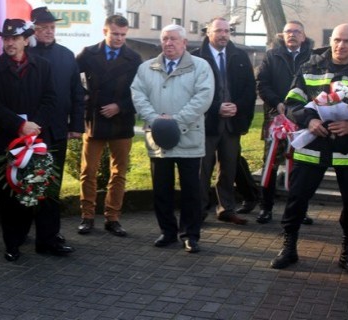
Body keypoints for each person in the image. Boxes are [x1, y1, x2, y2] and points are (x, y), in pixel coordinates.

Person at [270, 24, 348, 277]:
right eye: (337, 40)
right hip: (313, 144)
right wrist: (309, 120)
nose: (341, 46)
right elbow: (293, 103)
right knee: (297, 198)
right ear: (330, 40)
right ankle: (289, 248)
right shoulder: (310, 66)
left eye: (347, 41)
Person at [0, 18, 74, 261]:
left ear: (25, 40)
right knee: (10, 193)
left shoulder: (42, 66)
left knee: (46, 191)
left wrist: (34, 126)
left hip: (40, 138)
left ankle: (48, 240)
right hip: (9, 142)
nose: (10, 43)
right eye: (6, 39)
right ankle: (13, 243)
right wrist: (20, 125)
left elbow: (51, 98)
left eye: (15, 38)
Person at [131, 24, 214, 252]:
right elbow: (138, 95)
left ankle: (190, 235)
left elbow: (203, 97)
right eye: (165, 38)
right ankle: (167, 232)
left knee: (191, 191)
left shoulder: (200, 67)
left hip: (189, 138)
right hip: (158, 140)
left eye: (174, 39)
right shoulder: (146, 68)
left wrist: (174, 121)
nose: (169, 43)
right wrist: (157, 121)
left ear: (184, 43)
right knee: (161, 190)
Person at [75, 15, 142, 236]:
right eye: (115, 34)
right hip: (94, 120)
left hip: (121, 122)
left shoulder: (134, 58)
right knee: (88, 171)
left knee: (119, 173)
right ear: (105, 32)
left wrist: (120, 106)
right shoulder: (89, 53)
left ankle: (112, 218)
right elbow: (70, 76)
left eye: (123, 34)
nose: (119, 38)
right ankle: (87, 217)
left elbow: (142, 91)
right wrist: (85, 97)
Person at [27, 7, 85, 241]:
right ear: (33, 30)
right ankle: (23, 231)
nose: (48, 32)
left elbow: (77, 93)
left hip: (59, 129)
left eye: (51, 28)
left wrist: (77, 125)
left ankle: (50, 232)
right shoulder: (26, 55)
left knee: (52, 183)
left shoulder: (66, 55)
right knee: (28, 181)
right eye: (43, 28)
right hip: (32, 131)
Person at [192, 17, 256, 225]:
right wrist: (215, 107)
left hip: (232, 123)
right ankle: (199, 210)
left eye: (227, 31)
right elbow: (191, 92)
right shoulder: (195, 58)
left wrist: (237, 106)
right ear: (208, 32)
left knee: (228, 168)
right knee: (203, 169)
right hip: (206, 122)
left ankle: (226, 209)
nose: (223, 35)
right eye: (219, 30)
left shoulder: (240, 56)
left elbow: (249, 89)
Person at [255, 20, 316, 225]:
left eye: (297, 31)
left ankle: (300, 209)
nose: (292, 35)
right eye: (288, 32)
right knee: (270, 163)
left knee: (301, 165)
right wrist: (277, 103)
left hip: (303, 119)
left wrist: (303, 109)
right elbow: (262, 83)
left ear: (304, 35)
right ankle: (266, 208)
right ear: (282, 35)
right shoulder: (272, 56)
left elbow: (318, 87)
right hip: (277, 117)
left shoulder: (313, 57)